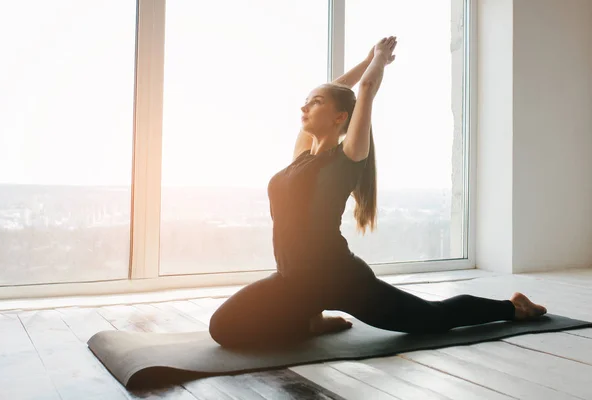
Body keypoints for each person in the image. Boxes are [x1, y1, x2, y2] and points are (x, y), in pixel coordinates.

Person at [209, 36, 547, 348]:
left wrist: (380, 60)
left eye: (314, 103)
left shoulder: (346, 159)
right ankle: (311, 319)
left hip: (341, 279)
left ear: (340, 117)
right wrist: (364, 58)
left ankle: (513, 306)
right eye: (306, 101)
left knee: (432, 318)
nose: (305, 107)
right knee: (222, 327)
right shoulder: (302, 154)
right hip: (293, 281)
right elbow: (337, 88)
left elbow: (365, 89)